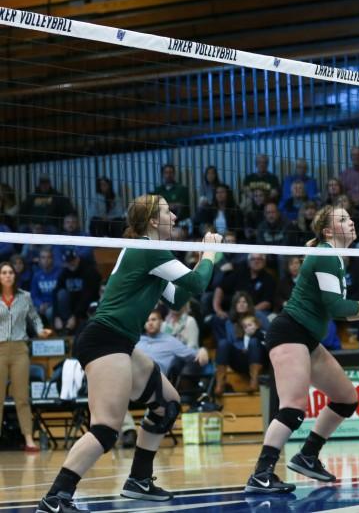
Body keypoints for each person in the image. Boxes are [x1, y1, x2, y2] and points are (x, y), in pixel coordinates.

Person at [35, 195, 221, 513]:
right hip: (105, 340)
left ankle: (138, 480)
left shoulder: (151, 255)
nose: (175, 217)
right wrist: (210, 255)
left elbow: (177, 299)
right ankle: (56, 497)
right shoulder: (147, 249)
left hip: (120, 341)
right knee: (106, 428)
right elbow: (197, 282)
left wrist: (200, 262)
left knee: (167, 405)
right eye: (167, 212)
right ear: (151, 221)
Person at [244, 206, 359, 493]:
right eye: (343, 220)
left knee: (346, 398)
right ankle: (261, 474)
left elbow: (335, 305)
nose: (351, 222)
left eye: (350, 218)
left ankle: (308, 454)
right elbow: (337, 309)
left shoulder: (334, 257)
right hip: (289, 331)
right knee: (293, 407)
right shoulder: (325, 255)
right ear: (327, 231)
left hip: (307, 337)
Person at [0, 261, 50, 452]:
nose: (7, 275)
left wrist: (40, 330)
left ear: (15, 275)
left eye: (10, 272)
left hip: (20, 348)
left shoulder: (25, 296)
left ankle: (29, 439)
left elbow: (35, 317)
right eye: (3, 272)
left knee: (22, 397)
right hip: (0, 348)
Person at [136, 309, 209, 380]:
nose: (150, 323)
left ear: (161, 322)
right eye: (147, 320)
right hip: (133, 373)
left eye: (153, 319)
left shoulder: (171, 341)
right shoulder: (137, 339)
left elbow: (194, 354)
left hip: (153, 378)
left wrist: (202, 350)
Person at [214, 313, 265, 395]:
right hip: (244, 361)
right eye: (245, 327)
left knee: (254, 342)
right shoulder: (245, 337)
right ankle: (220, 384)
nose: (248, 328)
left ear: (257, 325)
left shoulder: (262, 334)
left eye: (250, 325)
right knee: (223, 343)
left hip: (261, 361)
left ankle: (254, 382)